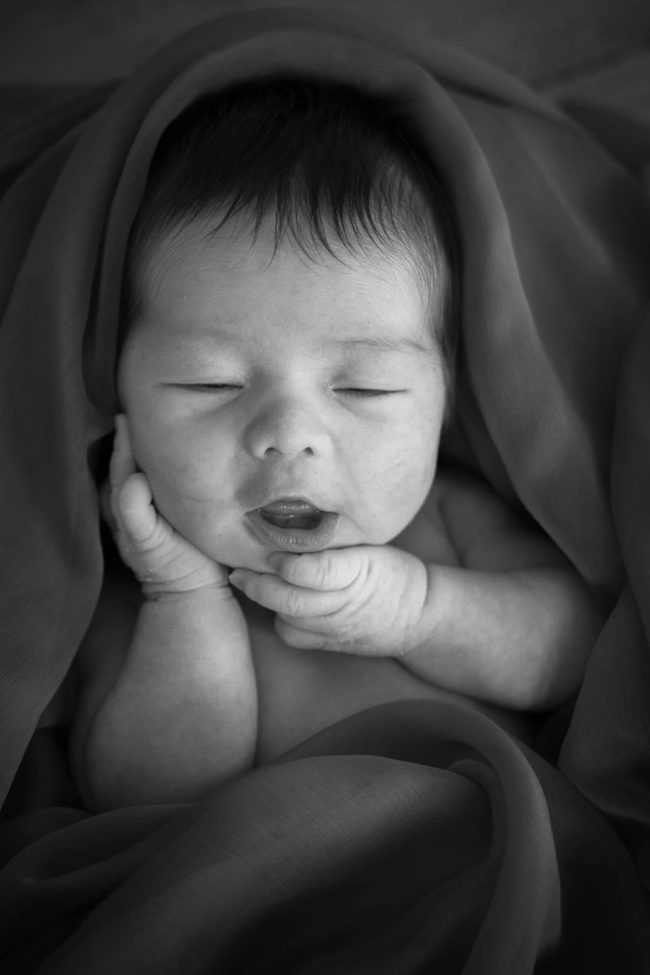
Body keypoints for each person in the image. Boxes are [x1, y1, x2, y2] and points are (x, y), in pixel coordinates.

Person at [69, 78, 602, 809]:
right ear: (117, 398)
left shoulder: (449, 520)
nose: (289, 437)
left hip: (480, 873)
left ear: (449, 401)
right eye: (209, 383)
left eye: (364, 387)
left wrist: (421, 610)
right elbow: (139, 798)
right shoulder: (121, 590)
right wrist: (185, 598)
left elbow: (577, 654)